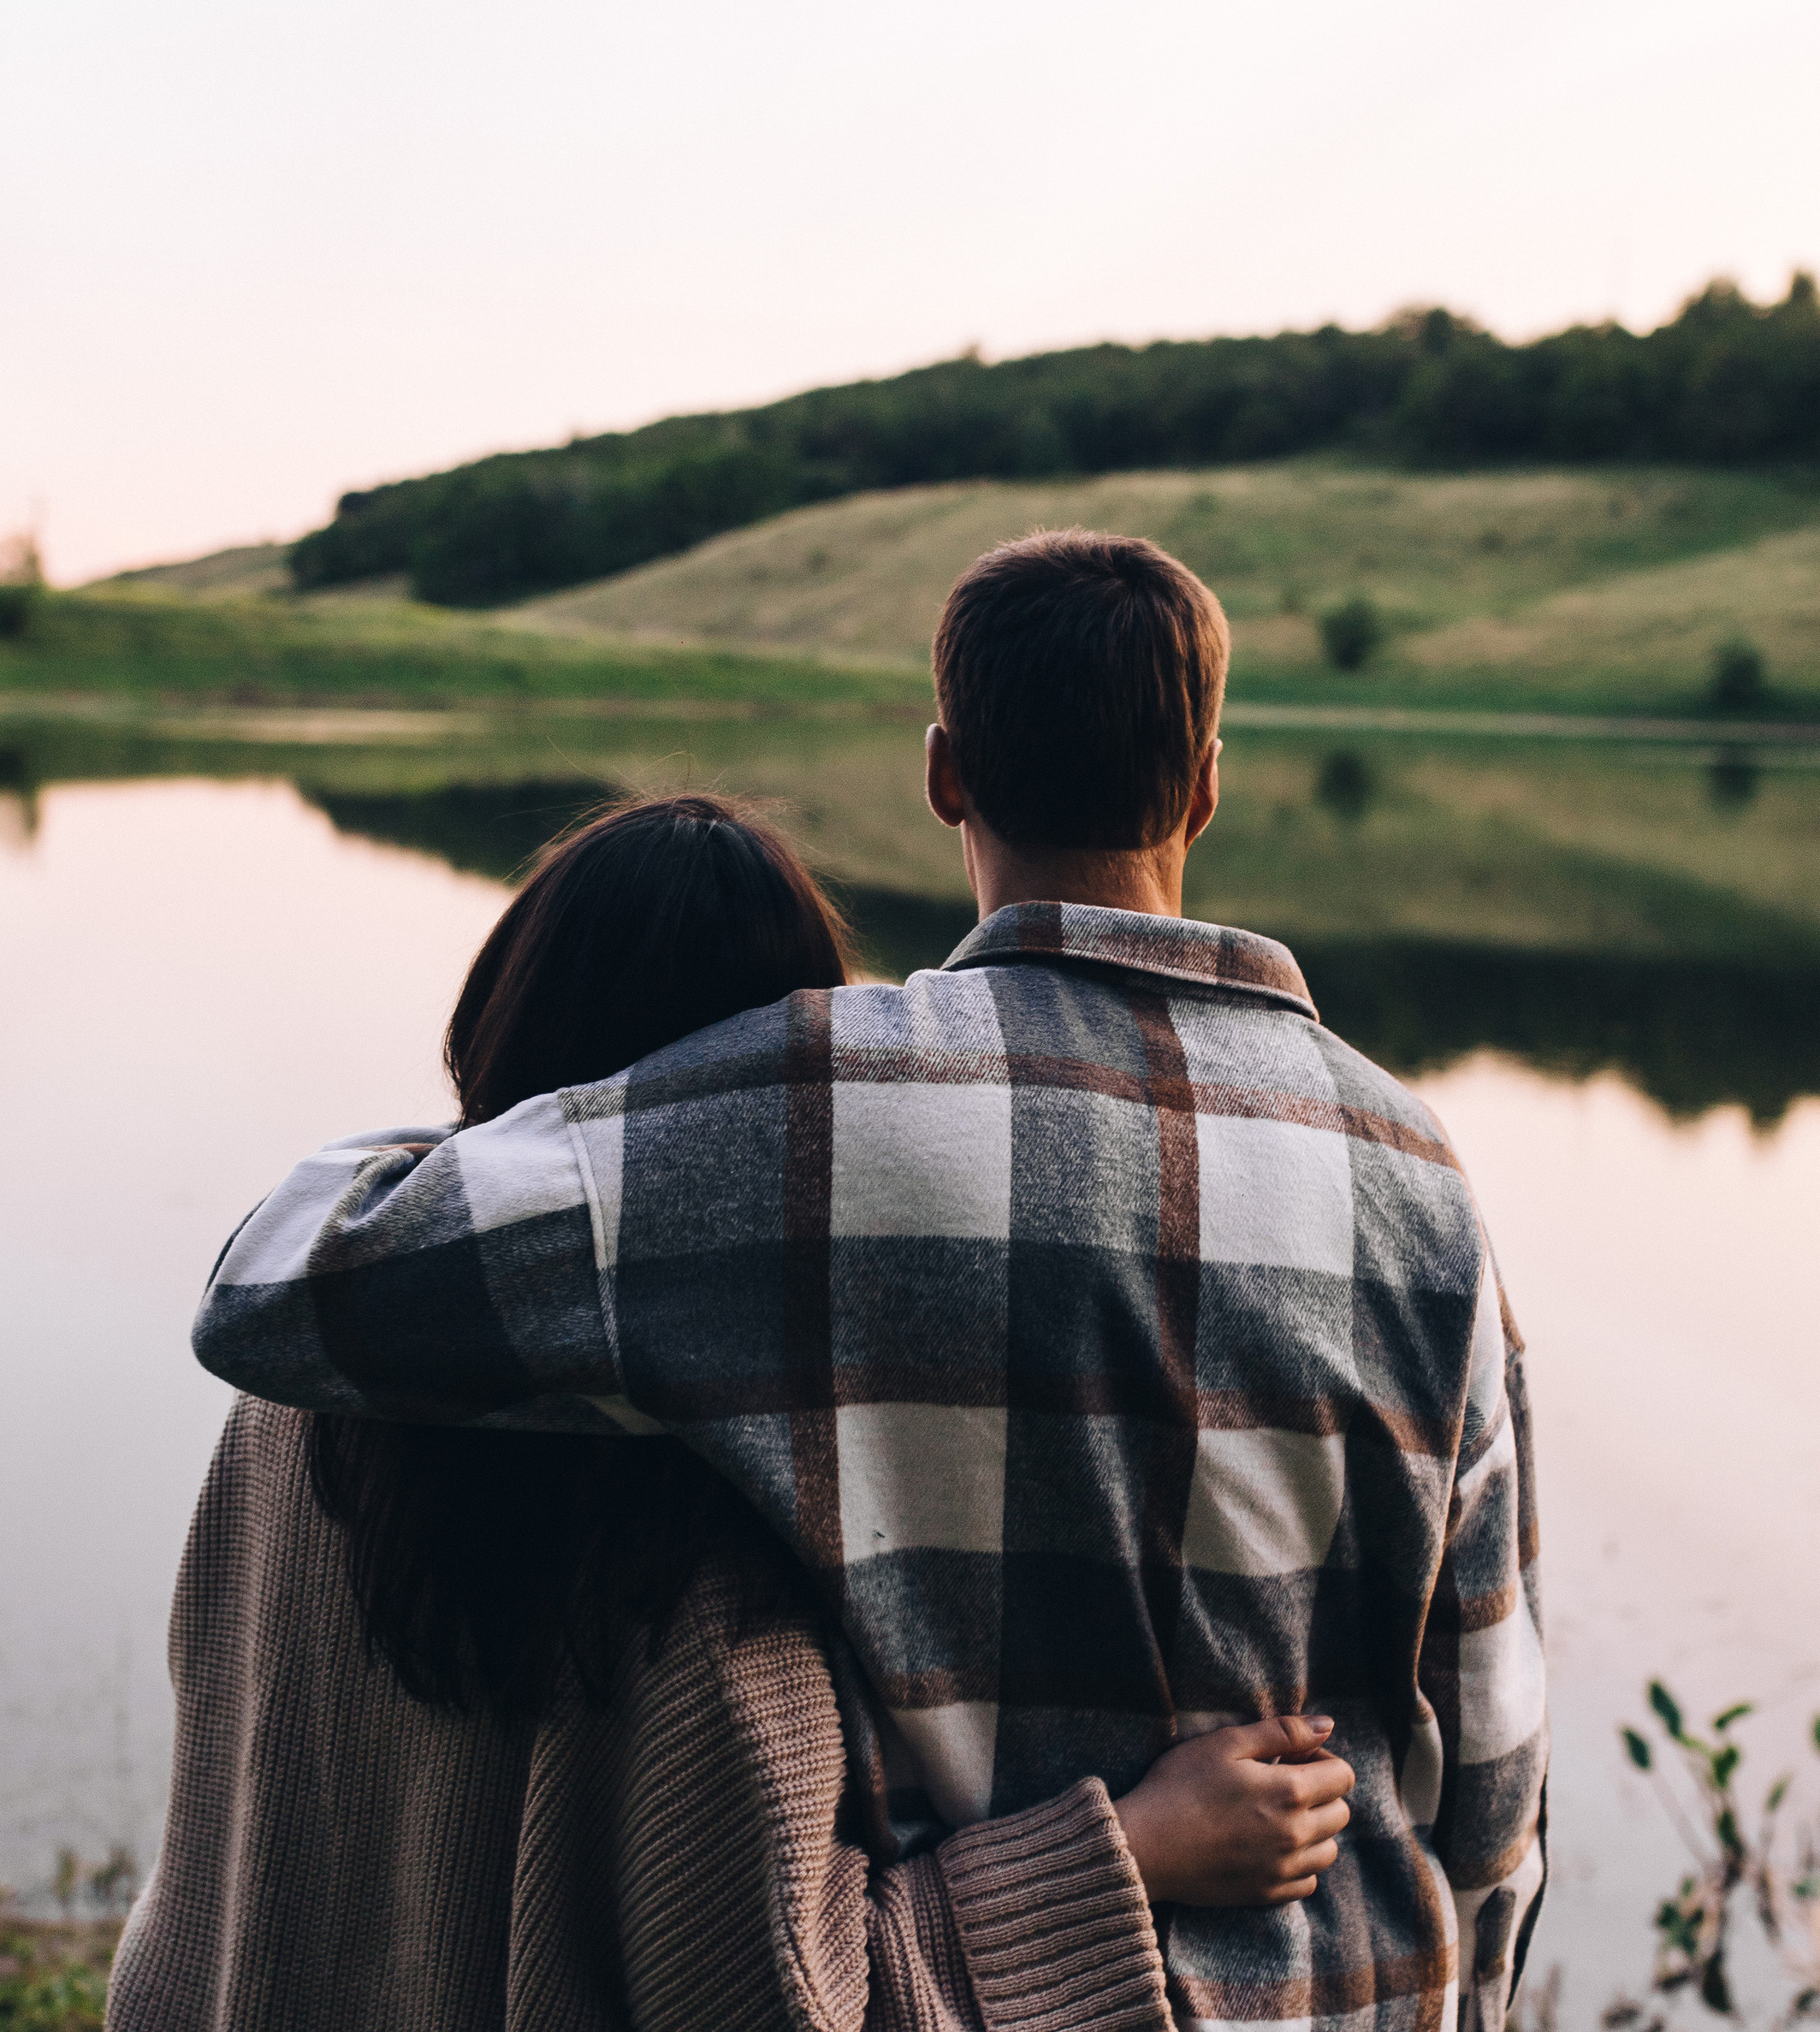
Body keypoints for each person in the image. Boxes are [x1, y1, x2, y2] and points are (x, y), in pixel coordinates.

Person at [194, 531, 1548, 2029]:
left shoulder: (820, 1119)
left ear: (944, 772)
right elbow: (1490, 1761)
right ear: (1210, 780)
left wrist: (529, 1128)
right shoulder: (1422, 1176)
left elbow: (281, 1287)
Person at [115, 796, 1359, 2032]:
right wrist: (1137, 1852)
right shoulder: (692, 1551)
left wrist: (479, 1157)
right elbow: (801, 2000)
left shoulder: (293, 1415)